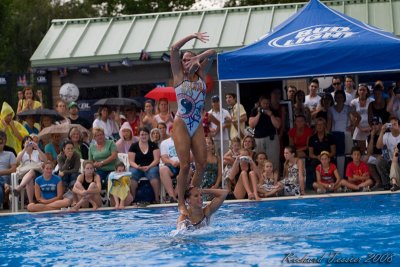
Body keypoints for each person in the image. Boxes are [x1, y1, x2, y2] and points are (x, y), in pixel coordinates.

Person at [170, 32, 216, 215]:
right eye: (185, 59)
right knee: (185, 165)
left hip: (196, 122)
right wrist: (193, 36)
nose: (187, 62)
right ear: (181, 63)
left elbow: (213, 52)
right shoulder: (179, 75)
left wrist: (199, 57)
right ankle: (181, 202)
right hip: (181, 122)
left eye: (190, 59)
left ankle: (192, 195)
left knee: (202, 164)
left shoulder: (202, 74)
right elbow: (174, 49)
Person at [128, 127, 160, 203]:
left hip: (151, 166)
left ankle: (156, 198)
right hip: (137, 167)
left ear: (148, 135)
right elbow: (131, 161)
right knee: (132, 174)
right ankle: (133, 199)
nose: (144, 136)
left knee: (153, 173)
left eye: (145, 134)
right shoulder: (134, 146)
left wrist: (149, 166)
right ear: (139, 136)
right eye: (142, 134)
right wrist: (137, 167)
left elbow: (157, 160)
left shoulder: (154, 145)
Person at [248, 95, 281, 170]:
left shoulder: (273, 111)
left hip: (271, 138)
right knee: (260, 159)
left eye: (267, 103)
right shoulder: (255, 111)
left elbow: (278, 125)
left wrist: (271, 115)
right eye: (264, 103)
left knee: (273, 159)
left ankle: (274, 176)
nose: (266, 105)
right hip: (258, 139)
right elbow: (251, 125)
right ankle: (260, 177)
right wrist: (259, 114)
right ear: (260, 103)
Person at [13, 136, 47, 204]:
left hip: (37, 173)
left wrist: (37, 148)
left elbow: (45, 160)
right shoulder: (21, 153)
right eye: (27, 142)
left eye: (30, 141)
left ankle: (20, 187)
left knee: (31, 171)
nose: (29, 143)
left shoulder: (36, 152)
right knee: (29, 179)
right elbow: (17, 162)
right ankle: (31, 203)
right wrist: (25, 149)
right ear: (23, 144)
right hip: (24, 175)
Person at [376, 117, 400, 190]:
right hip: (390, 160)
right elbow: (378, 146)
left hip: (398, 159)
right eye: (391, 124)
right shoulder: (387, 135)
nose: (392, 126)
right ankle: (386, 184)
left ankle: (394, 182)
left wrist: (398, 128)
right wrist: (382, 131)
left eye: (394, 124)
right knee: (379, 162)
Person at [351, 83, 372, 154]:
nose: (362, 91)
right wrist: (361, 128)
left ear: (367, 91)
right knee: (360, 150)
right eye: (360, 90)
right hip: (358, 129)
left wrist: (370, 128)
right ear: (358, 91)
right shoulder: (353, 102)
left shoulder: (371, 101)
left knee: (370, 149)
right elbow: (353, 118)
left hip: (370, 128)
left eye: (364, 90)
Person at [0, 131, 16, 209]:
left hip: (5, 177)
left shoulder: (10, 154)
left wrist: (1, 172)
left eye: (1, 143)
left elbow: (14, 169)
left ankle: (4, 185)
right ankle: (4, 185)